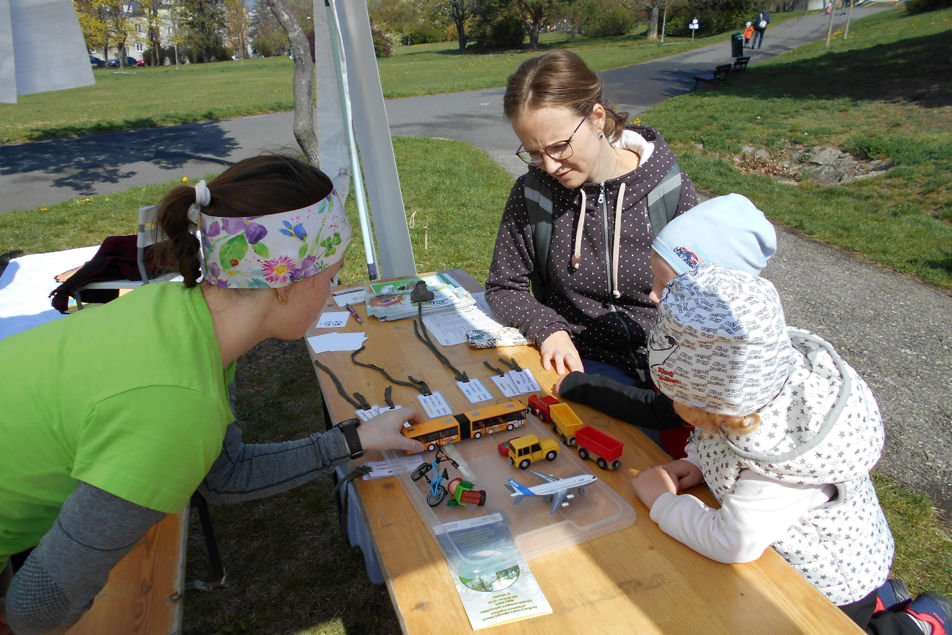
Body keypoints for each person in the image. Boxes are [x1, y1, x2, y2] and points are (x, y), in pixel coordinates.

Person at [0, 154, 425, 633]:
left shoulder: (182, 310)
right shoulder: (177, 405)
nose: (332, 294)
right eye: (331, 276)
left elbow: (222, 474)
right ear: (284, 281)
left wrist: (355, 441)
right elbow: (34, 609)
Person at [630, 265, 952, 634]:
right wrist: (698, 462)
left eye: (686, 406)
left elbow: (733, 542)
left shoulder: (782, 465)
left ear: (723, 406)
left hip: (827, 585)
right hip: (795, 552)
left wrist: (664, 504)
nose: (675, 409)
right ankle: (887, 598)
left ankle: (918, 623)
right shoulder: (753, 398)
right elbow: (720, 441)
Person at [484, 49, 699, 437]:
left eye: (558, 146)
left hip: (672, 376)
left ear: (597, 118)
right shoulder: (533, 194)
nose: (549, 166)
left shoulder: (668, 189)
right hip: (581, 364)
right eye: (533, 153)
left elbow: (707, 298)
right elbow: (504, 286)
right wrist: (547, 327)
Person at [556, 193, 776, 457]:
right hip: (695, 461)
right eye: (655, 280)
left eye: (666, 285)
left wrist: (581, 386)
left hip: (685, 462)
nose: (652, 294)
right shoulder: (707, 328)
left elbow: (658, 410)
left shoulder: (713, 353)